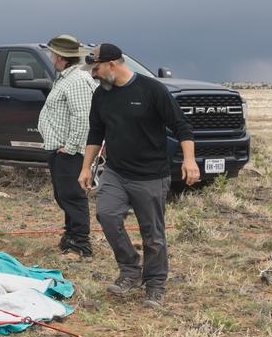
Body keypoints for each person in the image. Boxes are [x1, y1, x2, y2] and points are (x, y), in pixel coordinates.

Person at [79, 43, 198, 309]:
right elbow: (95, 133)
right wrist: (86, 167)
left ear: (112, 64)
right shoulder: (101, 95)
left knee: (153, 234)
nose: (93, 74)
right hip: (116, 172)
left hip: (150, 176)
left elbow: (181, 126)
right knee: (107, 215)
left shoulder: (152, 89)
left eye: (96, 68)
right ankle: (130, 270)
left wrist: (189, 160)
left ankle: (155, 285)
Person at [37, 35, 98, 260]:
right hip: (59, 149)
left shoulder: (77, 81)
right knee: (64, 195)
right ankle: (70, 238)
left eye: (52, 53)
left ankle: (80, 246)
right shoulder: (65, 78)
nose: (51, 56)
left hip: (70, 151)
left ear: (61, 57)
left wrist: (70, 148)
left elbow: (82, 117)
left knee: (72, 196)